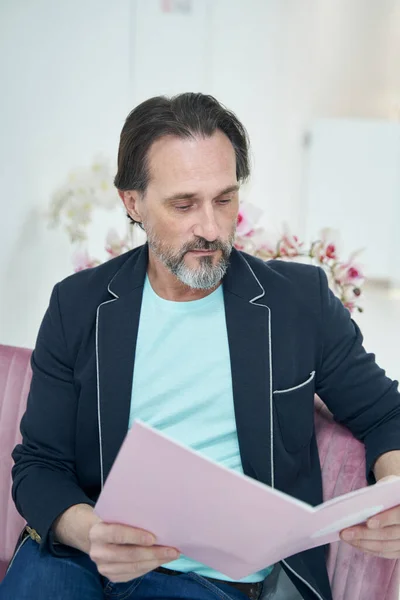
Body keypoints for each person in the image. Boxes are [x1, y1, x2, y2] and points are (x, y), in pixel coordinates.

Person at [1, 93, 400, 600]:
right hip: (80, 553)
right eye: (184, 204)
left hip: (209, 577)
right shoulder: (77, 306)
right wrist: (91, 534)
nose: (210, 228)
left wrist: (393, 489)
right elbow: (39, 464)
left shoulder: (298, 301)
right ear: (133, 203)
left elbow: (386, 413)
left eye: (225, 199)